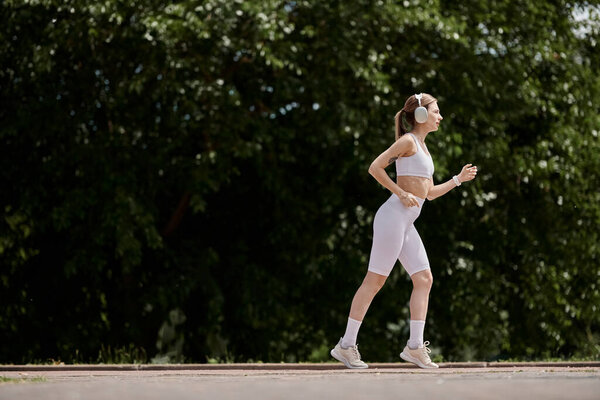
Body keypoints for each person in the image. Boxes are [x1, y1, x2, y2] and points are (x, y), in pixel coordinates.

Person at [330, 93, 478, 369]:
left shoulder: (421, 146)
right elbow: (375, 167)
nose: (440, 116)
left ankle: (415, 347)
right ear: (421, 115)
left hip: (405, 221)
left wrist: (458, 179)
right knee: (374, 281)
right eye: (436, 111)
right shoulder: (408, 141)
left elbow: (429, 193)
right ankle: (346, 345)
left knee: (424, 279)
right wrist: (399, 192)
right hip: (392, 218)